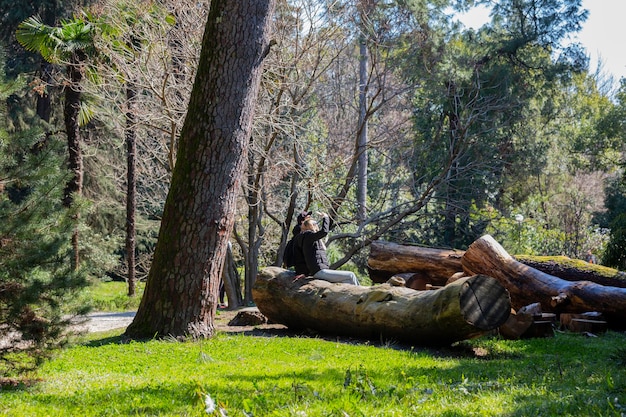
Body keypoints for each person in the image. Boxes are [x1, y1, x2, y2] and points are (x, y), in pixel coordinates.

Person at [293, 212, 359, 285]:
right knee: (351, 275)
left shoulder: (309, 237)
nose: (316, 224)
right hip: (319, 271)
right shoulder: (308, 236)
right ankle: (362, 295)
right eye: (314, 223)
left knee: (347, 281)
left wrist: (316, 231)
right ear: (310, 225)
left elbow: (323, 248)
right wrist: (326, 218)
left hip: (320, 270)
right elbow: (324, 232)